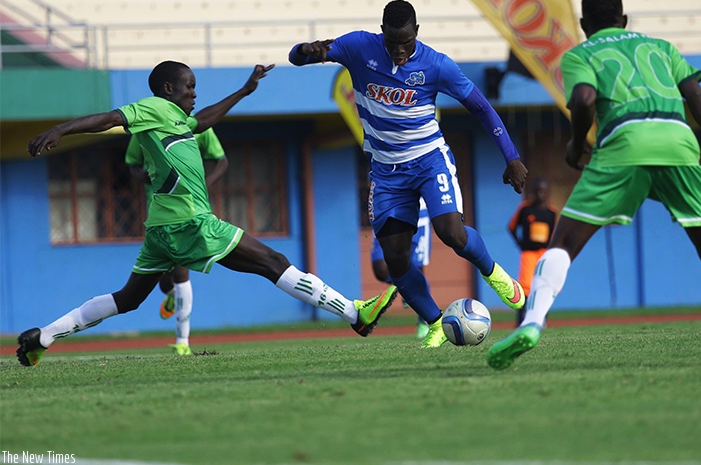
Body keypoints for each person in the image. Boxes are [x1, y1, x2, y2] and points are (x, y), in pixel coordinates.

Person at [487, 0, 701, 370]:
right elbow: (698, 99)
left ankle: (531, 324)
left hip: (623, 144)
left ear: (584, 25)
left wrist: (577, 142)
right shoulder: (662, 48)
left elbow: (582, 99)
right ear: (625, 19)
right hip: (679, 144)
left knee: (564, 241)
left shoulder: (581, 53)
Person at [16, 61, 398, 367]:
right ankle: (354, 313)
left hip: (162, 228)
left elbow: (208, 119)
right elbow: (111, 118)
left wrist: (244, 91)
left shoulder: (178, 120)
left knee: (128, 298)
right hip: (190, 222)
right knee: (273, 260)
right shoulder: (155, 108)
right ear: (168, 89)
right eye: (189, 86)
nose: (194, 93)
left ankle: (43, 336)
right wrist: (61, 129)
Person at [289, 0, 529, 349]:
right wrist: (305, 50)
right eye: (393, 42)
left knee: (451, 233)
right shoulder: (358, 46)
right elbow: (298, 58)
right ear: (382, 31)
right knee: (395, 259)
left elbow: (480, 106)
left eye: (407, 42)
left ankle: (495, 273)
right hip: (386, 172)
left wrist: (512, 157)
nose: (400, 51)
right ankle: (434, 322)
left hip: (430, 160)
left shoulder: (436, 65)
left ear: (417, 32)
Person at [125, 128, 228, 356]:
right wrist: (141, 174)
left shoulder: (198, 126)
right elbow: (132, 162)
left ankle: (183, 342)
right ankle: (173, 297)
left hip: (189, 215)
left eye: (192, 89)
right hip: (158, 218)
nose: (191, 94)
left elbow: (221, 160)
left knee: (181, 274)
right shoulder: (144, 130)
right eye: (188, 88)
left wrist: (205, 182)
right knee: (164, 284)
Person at [371, 198, 432, 339]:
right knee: (381, 269)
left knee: (418, 267)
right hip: (386, 208)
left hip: (417, 211)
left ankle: (425, 319)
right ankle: (406, 283)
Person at [507, 178, 558, 325]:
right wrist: (520, 243)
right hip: (528, 253)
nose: (540, 194)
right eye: (537, 191)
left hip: (544, 254)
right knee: (525, 287)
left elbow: (554, 234)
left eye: (543, 191)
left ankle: (543, 319)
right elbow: (511, 227)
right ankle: (520, 320)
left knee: (544, 284)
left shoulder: (551, 212)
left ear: (547, 193)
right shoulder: (525, 209)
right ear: (533, 192)